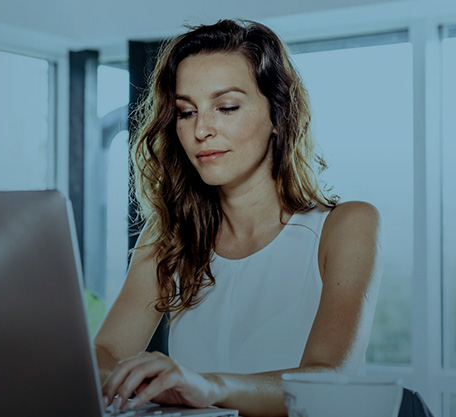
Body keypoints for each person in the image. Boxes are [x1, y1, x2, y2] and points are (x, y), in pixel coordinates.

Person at [94, 19, 383, 417]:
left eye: (226, 107)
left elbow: (326, 379)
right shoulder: (168, 233)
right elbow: (104, 351)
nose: (201, 130)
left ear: (278, 116)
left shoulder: (347, 226)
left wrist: (206, 385)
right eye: (185, 111)